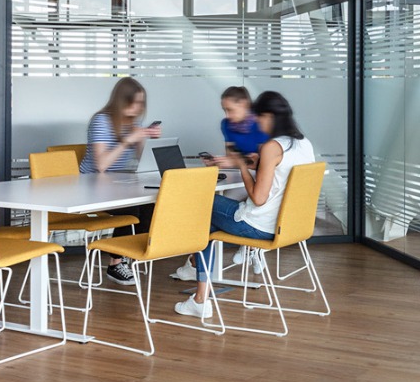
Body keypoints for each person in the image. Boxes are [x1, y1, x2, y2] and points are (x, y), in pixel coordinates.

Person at [174, 90, 316, 321]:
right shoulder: (303, 144)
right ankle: (198, 285)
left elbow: (259, 199)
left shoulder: (272, 147)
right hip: (289, 227)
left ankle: (199, 290)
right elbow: (278, 177)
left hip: (258, 225)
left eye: (259, 117)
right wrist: (254, 164)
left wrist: (241, 166)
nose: (257, 122)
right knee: (207, 223)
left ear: (269, 116)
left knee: (200, 201)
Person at [82, 77, 161, 284]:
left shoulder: (134, 123)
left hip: (119, 183)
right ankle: (116, 263)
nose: (138, 108)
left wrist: (145, 139)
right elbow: (101, 165)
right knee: (132, 209)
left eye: (141, 103)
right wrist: (127, 140)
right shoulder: (101, 121)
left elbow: (140, 160)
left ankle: (127, 254)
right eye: (134, 103)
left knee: (152, 204)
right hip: (91, 185)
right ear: (121, 101)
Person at [217, 86, 269, 162]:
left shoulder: (261, 123)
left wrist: (236, 162)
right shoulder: (226, 124)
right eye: (224, 110)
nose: (227, 116)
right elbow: (230, 156)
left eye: (230, 110)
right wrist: (218, 162)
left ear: (244, 104)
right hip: (241, 167)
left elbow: (264, 160)